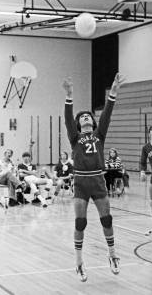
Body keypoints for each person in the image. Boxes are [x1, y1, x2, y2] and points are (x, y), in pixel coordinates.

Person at [63, 73, 124, 282]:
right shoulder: (75, 137)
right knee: (80, 222)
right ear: (79, 124)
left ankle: (112, 254)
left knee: (106, 219)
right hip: (81, 181)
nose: (86, 117)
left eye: (88, 116)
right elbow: (67, 119)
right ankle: (79, 262)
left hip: (97, 180)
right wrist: (69, 96)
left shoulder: (99, 135)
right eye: (82, 117)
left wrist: (113, 91)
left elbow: (107, 113)